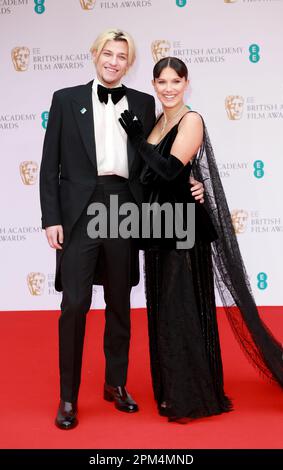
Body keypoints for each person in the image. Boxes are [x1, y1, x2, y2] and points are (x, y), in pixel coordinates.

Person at [39, 30, 203, 430]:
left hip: (124, 208)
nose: (113, 61)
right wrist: (51, 218)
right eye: (108, 53)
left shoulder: (146, 103)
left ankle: (116, 384)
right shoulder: (65, 99)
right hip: (79, 210)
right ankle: (67, 397)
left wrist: (192, 182)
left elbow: (163, 153)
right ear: (95, 55)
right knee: (74, 303)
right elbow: (48, 166)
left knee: (119, 302)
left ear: (129, 64)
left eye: (122, 56)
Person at [119, 57, 283, 422]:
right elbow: (150, 177)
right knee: (163, 311)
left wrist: (137, 141)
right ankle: (172, 390)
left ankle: (192, 395)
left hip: (184, 228)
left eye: (175, 82)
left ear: (186, 84)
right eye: (161, 82)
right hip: (159, 225)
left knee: (182, 310)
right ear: (154, 83)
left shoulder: (191, 120)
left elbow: (167, 170)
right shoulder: (160, 121)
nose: (168, 89)